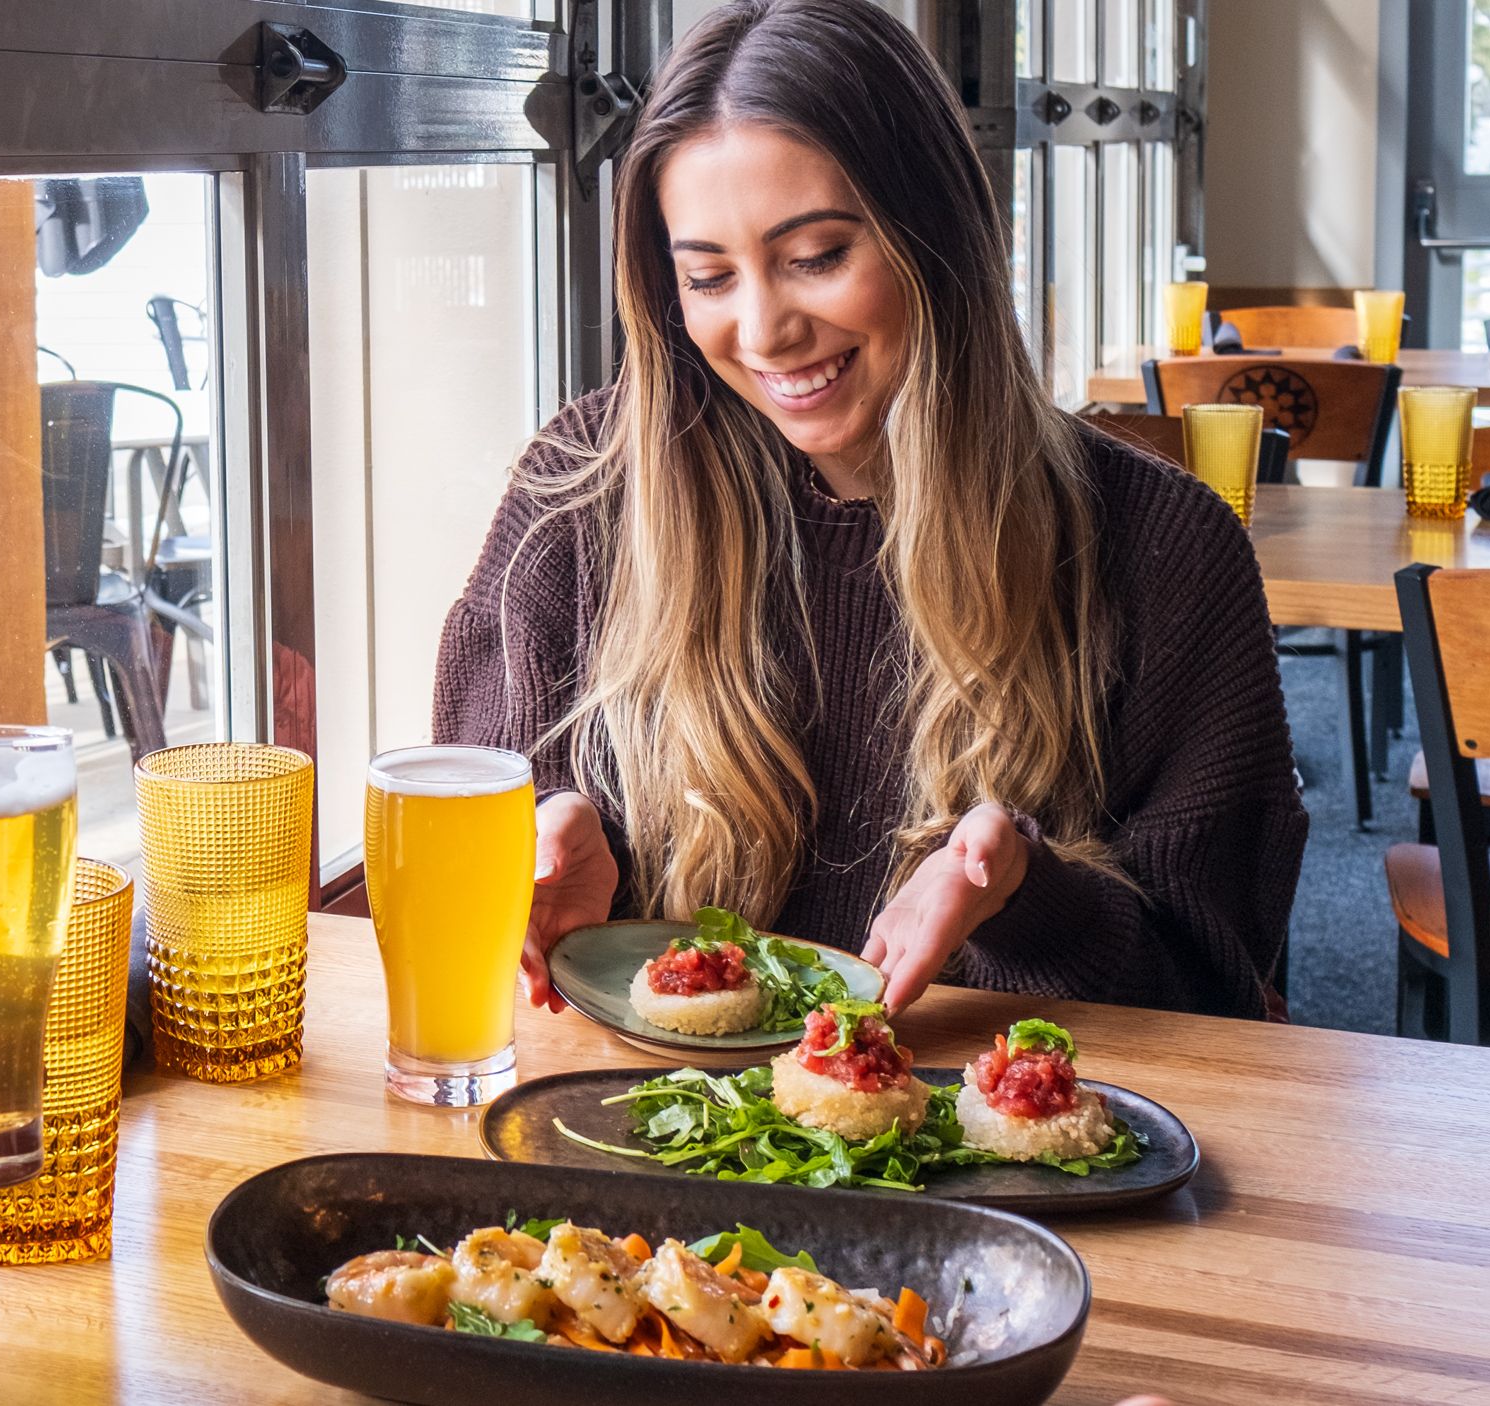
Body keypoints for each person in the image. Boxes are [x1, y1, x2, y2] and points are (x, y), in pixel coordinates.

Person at [436, 0, 1306, 1020]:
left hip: (988, 1167)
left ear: (933, 232)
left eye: (816, 257)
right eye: (707, 276)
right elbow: (475, 828)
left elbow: (1216, 993)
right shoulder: (579, 487)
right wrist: (544, 846)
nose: (763, 330)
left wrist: (1025, 897)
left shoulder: (1167, 549)